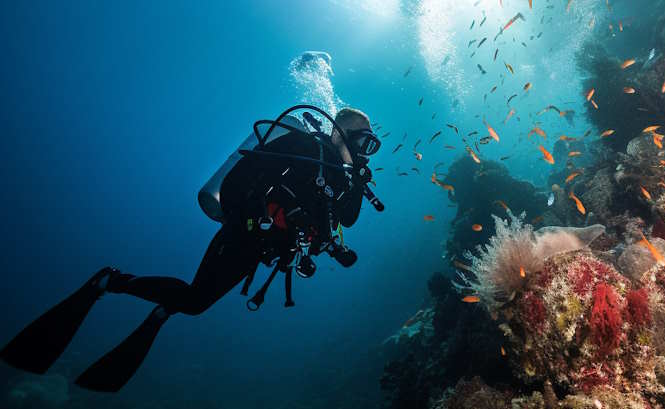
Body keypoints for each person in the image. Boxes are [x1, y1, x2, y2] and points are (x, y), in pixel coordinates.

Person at [0, 105, 382, 392]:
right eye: (362, 140)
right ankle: (110, 281)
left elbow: (345, 222)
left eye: (371, 145)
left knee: (195, 303)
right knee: (195, 300)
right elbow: (237, 183)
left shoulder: (343, 178)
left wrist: (359, 184)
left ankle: (164, 308)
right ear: (339, 133)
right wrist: (257, 218)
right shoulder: (300, 146)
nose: (366, 150)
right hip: (244, 236)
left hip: (261, 251)